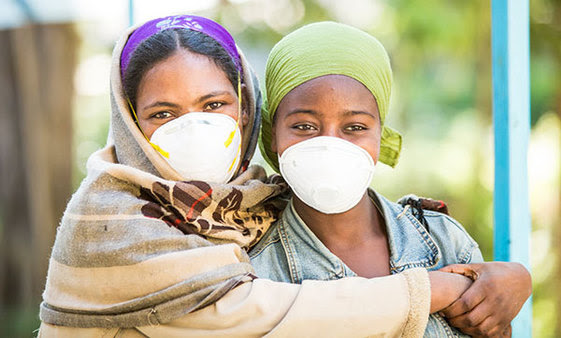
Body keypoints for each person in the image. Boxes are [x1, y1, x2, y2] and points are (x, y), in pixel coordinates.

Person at [38, 14, 465, 337]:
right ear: (131, 124)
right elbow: (251, 313)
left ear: (245, 111)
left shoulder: (248, 210)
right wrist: (428, 291)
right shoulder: (109, 219)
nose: (193, 128)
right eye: (163, 113)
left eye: (213, 105)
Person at [251, 21, 531, 337]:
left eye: (354, 127)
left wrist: (516, 282)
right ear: (272, 135)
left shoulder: (442, 241)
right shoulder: (254, 273)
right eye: (304, 126)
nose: (331, 144)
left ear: (379, 137)